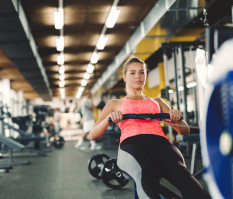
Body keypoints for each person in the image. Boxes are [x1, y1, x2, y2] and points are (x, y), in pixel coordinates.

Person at [89, 57, 210, 199]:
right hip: (131, 146)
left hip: (160, 145)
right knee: (145, 173)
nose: (138, 76)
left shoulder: (157, 102)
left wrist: (176, 118)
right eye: (132, 73)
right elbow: (93, 135)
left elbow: (185, 130)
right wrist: (110, 119)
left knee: (183, 176)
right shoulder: (115, 104)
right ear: (124, 77)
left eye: (142, 72)